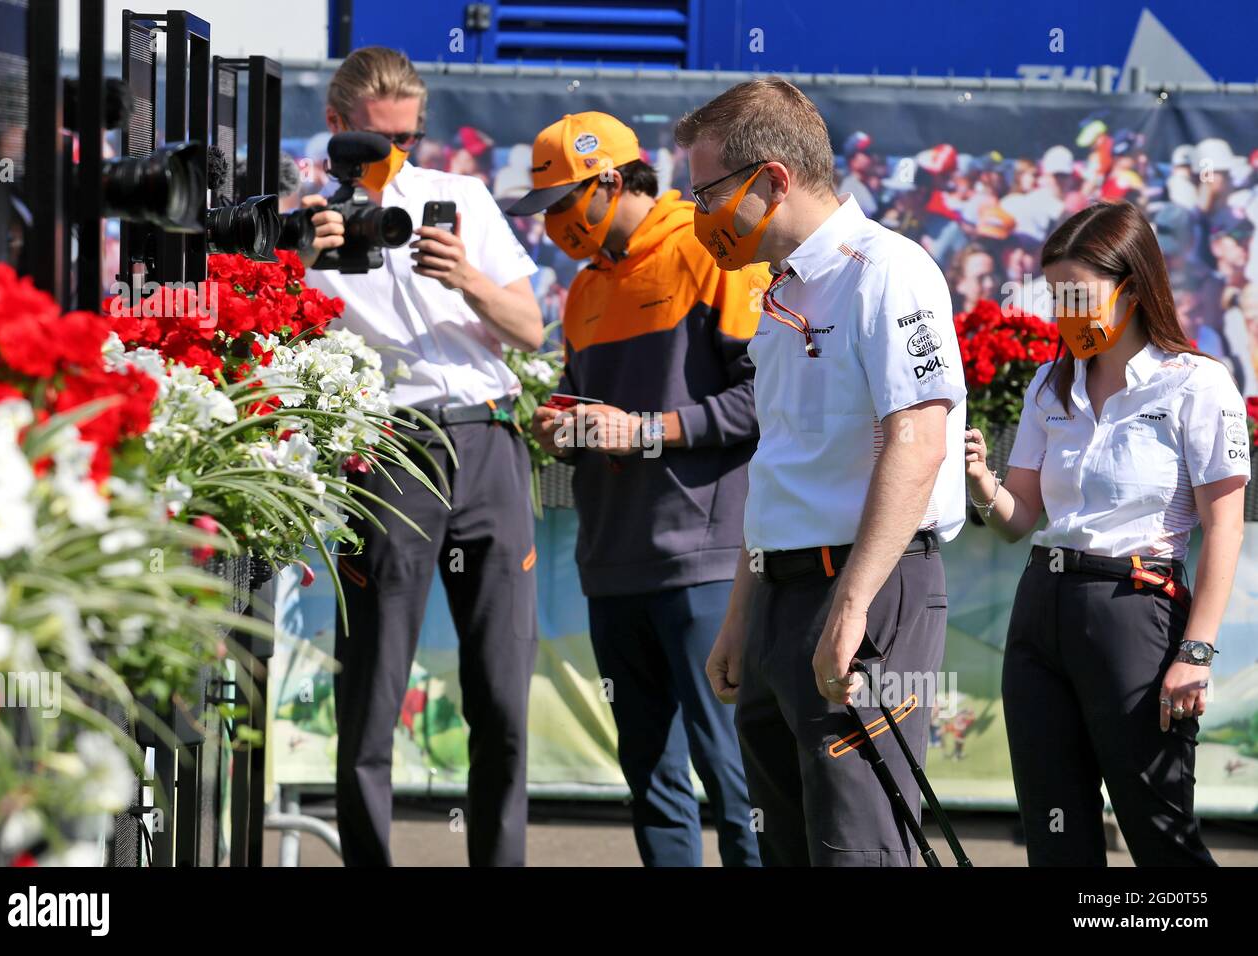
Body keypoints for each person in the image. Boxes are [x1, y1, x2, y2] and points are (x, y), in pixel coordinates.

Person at [678, 77, 968, 867]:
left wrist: (852, 605)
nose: (696, 215)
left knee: (859, 849)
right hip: (782, 596)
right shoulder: (779, 297)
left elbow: (919, 439)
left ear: (772, 179)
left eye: (705, 193)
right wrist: (744, 611)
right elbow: (777, 466)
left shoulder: (887, 270)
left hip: (866, 590)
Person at [301, 46, 544, 867]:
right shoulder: (305, 213)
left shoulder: (462, 197)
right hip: (391, 452)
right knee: (371, 693)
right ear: (336, 130)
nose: (396, 157)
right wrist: (301, 252)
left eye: (409, 139)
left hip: (486, 441)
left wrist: (467, 278)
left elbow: (533, 329)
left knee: (503, 696)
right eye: (379, 141)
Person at [506, 111, 767, 867]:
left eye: (561, 204)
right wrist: (556, 426)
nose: (551, 224)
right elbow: (574, 401)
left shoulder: (710, 249)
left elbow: (764, 401)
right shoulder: (583, 291)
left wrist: (648, 430)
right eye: (544, 209)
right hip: (613, 560)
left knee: (734, 776)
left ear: (611, 182)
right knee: (650, 781)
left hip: (706, 560)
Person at [965, 200, 1248, 866]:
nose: (1065, 312)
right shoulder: (1048, 385)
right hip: (1040, 611)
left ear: (1132, 286)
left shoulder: (1197, 385)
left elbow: (1224, 526)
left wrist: (1197, 651)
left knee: (1160, 835)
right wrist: (981, 482)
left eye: (1079, 294)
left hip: (1136, 612)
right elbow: (1019, 521)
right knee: (1055, 832)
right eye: (1055, 295)